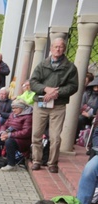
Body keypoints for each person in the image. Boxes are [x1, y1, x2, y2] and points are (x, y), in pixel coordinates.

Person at [29, 37, 79, 173]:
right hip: (41, 103)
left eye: (61, 47)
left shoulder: (70, 67)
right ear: (51, 48)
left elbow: (74, 86)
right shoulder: (42, 65)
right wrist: (46, 89)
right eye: (55, 47)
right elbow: (33, 82)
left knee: (55, 137)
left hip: (58, 105)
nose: (58, 49)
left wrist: (57, 92)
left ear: (64, 49)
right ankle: (37, 160)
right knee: (36, 134)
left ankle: (52, 162)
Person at [0, 99, 33, 171]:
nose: (14, 110)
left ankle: (11, 164)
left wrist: (9, 135)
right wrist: (2, 133)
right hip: (11, 136)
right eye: (13, 108)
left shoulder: (28, 116)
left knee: (9, 142)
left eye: (16, 108)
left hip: (23, 141)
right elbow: (5, 125)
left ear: (22, 108)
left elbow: (26, 132)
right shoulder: (12, 115)